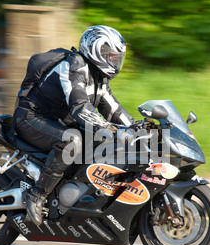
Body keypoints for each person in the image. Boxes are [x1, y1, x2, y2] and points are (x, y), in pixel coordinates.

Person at [12, 25, 134, 225]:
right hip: (31, 118)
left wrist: (136, 127)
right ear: (96, 50)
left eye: (116, 57)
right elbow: (79, 106)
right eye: (110, 55)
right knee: (72, 141)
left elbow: (113, 109)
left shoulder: (99, 79)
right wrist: (107, 128)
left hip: (54, 122)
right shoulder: (74, 65)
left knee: (97, 145)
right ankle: (36, 194)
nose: (114, 60)